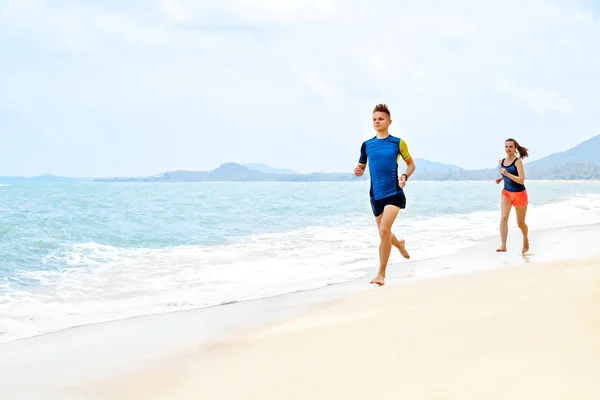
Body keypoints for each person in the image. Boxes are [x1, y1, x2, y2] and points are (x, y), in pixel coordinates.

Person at [354, 104, 416, 286]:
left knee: (383, 230)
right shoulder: (367, 145)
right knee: (384, 234)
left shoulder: (398, 143)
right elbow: (361, 167)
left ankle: (381, 274)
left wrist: (405, 176)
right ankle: (399, 244)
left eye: (380, 119)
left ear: (389, 122)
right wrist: (358, 170)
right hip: (375, 195)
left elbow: (411, 165)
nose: (377, 121)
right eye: (374, 119)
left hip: (394, 192)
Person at [495, 138, 530, 254]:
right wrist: (501, 178)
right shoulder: (501, 162)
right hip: (506, 192)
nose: (508, 148)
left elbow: (521, 180)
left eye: (510, 146)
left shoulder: (518, 162)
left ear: (515, 148)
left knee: (520, 223)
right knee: (504, 217)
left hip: (520, 194)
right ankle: (503, 245)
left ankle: (525, 238)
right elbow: (505, 174)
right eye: (506, 146)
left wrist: (507, 174)